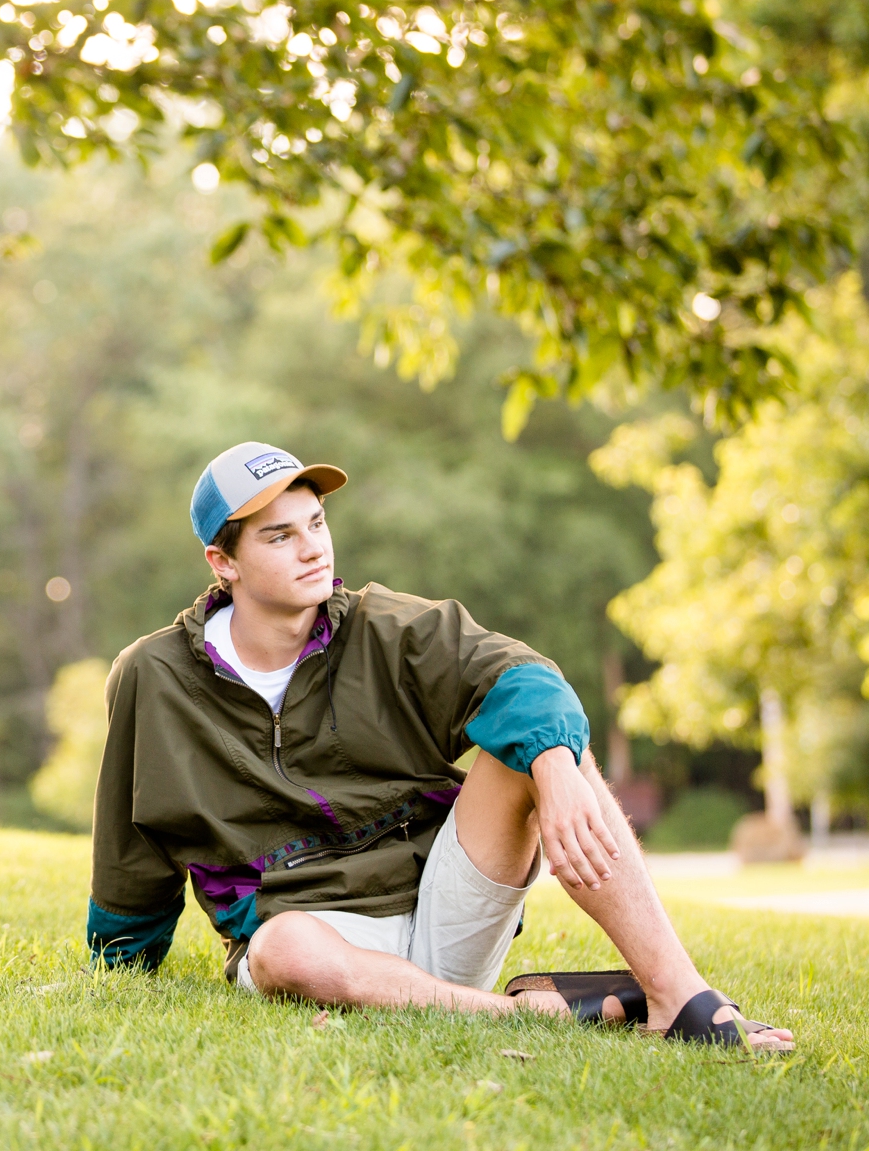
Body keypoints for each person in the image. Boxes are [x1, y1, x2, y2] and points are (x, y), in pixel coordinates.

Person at [86, 441, 794, 1051]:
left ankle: (677, 994)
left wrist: (556, 766)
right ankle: (525, 1015)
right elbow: (132, 833)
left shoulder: (385, 627)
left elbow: (519, 675)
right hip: (311, 936)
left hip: (442, 907)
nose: (313, 547)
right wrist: (119, 964)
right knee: (280, 949)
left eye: (317, 521)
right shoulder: (155, 677)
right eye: (279, 536)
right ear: (224, 561)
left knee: (546, 745)